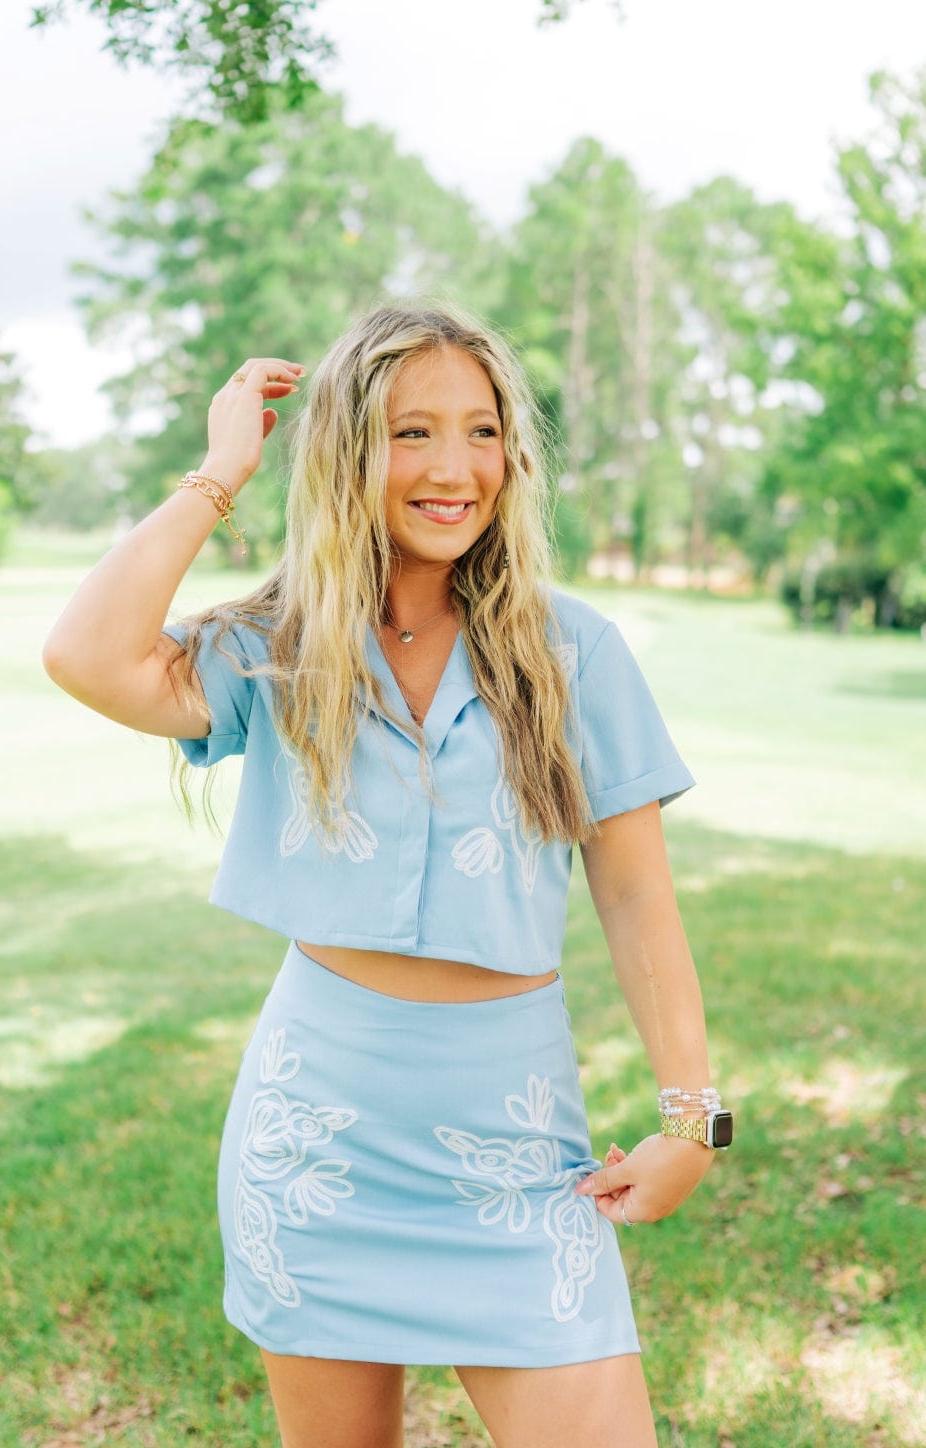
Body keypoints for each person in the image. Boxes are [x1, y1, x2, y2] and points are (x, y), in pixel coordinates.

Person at [43, 303, 731, 1448]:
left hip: (515, 1147)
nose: (453, 468)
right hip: (314, 1139)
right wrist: (219, 474)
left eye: (480, 430)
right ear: (350, 452)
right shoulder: (280, 642)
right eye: (412, 433)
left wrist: (691, 1117)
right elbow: (87, 654)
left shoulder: (575, 655)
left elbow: (635, 895)